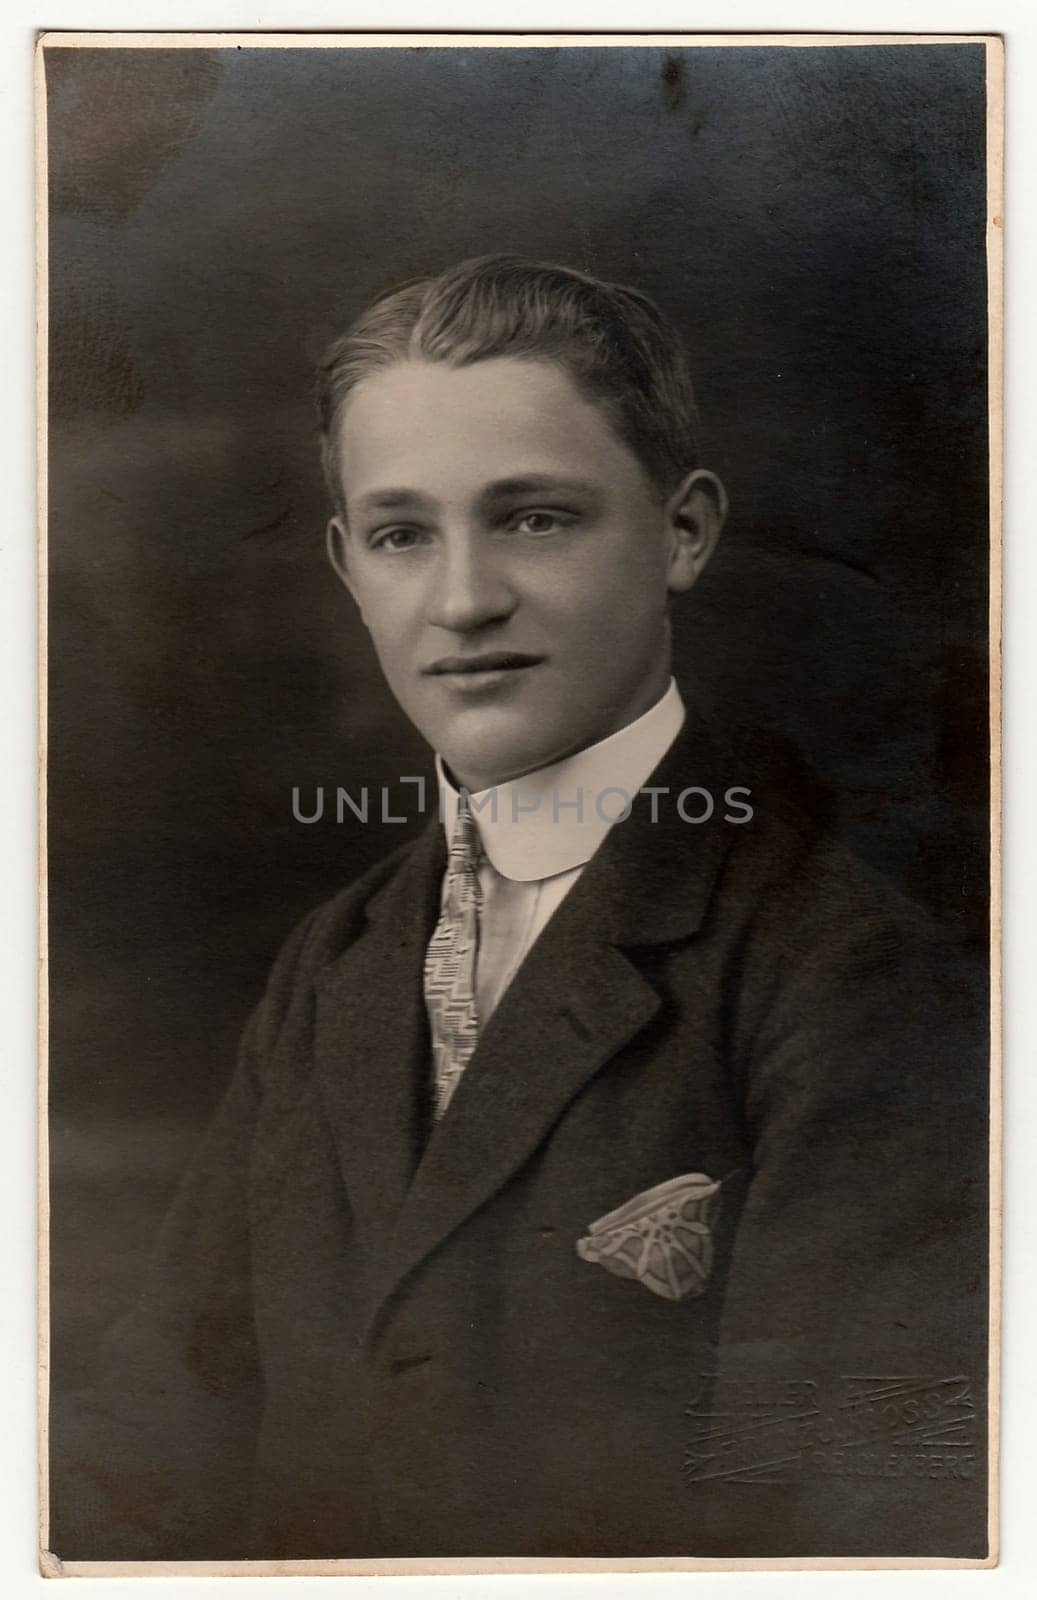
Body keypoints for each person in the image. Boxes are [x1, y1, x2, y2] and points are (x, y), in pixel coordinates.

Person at [49, 256, 988, 1563]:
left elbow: (862, 1530)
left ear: (683, 531)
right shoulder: (335, 966)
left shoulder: (850, 975)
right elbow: (159, 1440)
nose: (462, 600)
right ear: (345, 566)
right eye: (400, 533)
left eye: (535, 518)